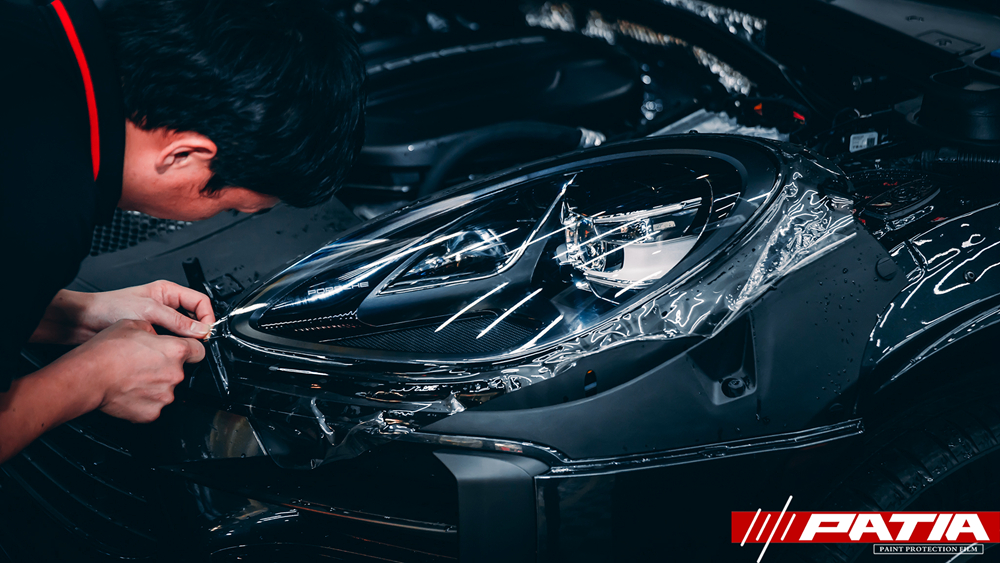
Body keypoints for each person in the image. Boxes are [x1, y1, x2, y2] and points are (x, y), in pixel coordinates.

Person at [0, 0, 365, 463]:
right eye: (229, 208)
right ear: (183, 155)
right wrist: (94, 379)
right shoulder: (42, 207)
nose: (212, 218)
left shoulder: (39, 20)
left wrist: (79, 314)